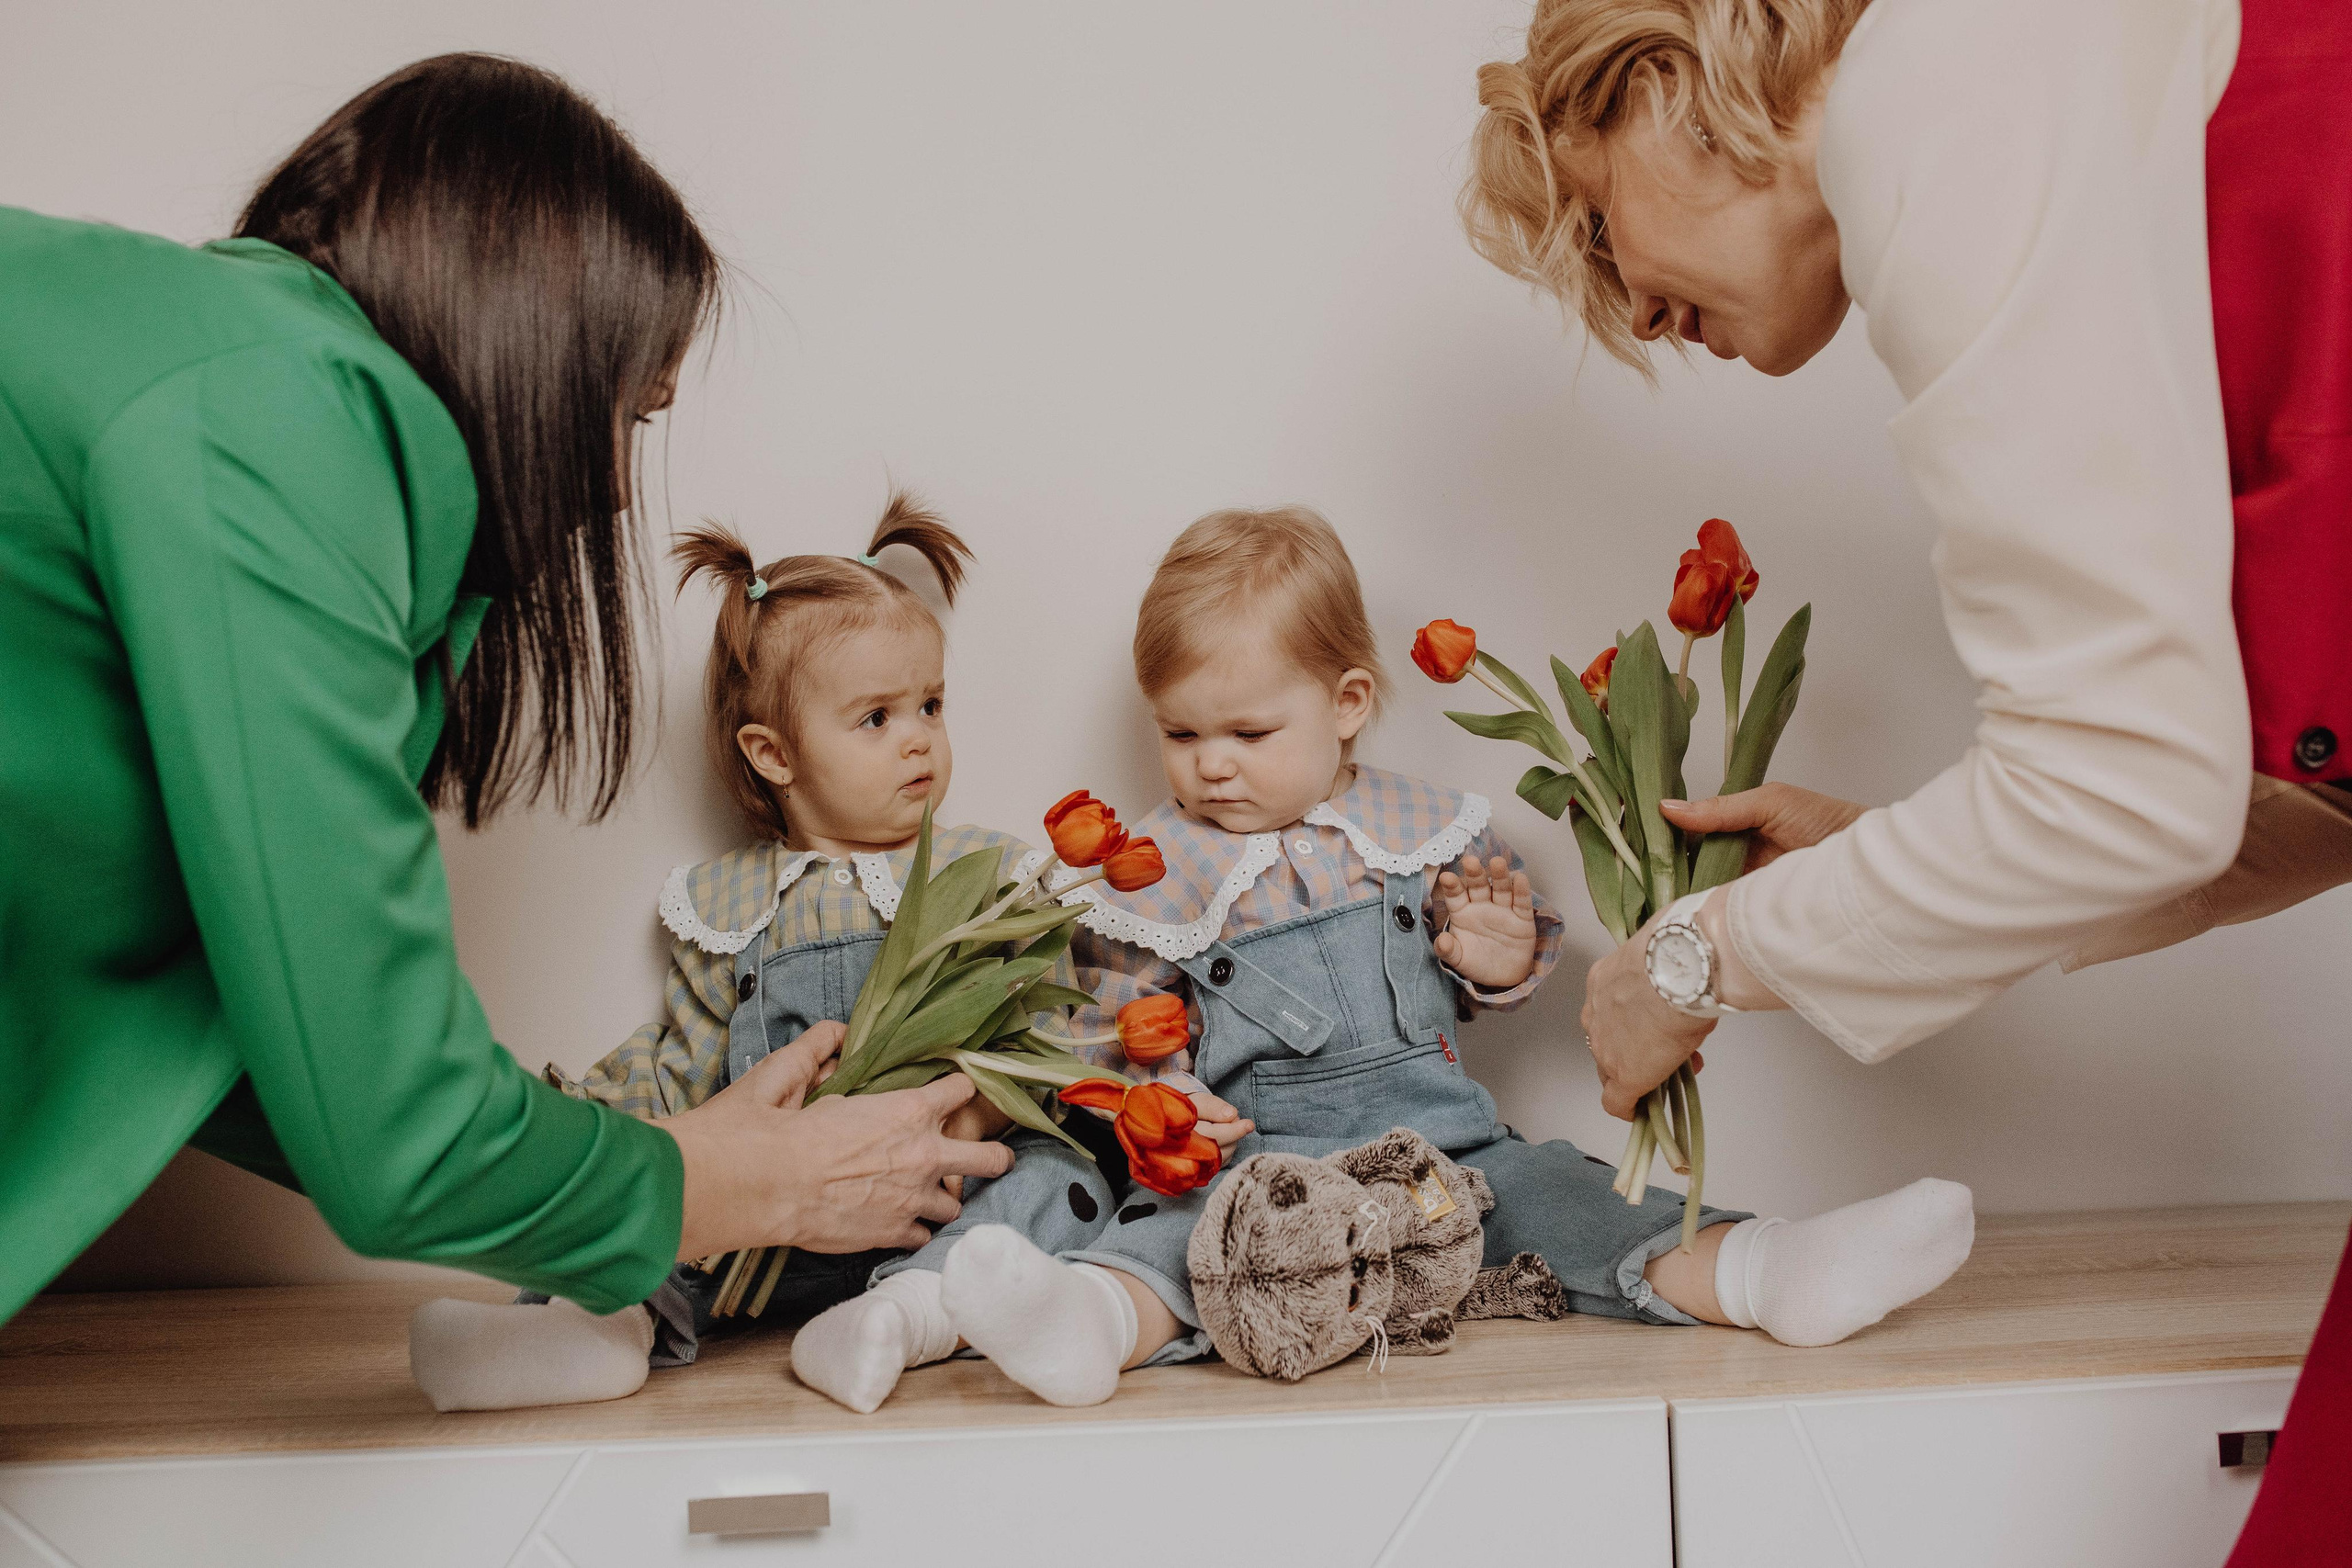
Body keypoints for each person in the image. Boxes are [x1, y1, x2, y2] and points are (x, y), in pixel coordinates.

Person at [1458, 0, 2349, 1558]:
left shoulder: (1939, 81)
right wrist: (1888, 861)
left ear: (1673, 86)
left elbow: (2128, 788)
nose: (1638, 313)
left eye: (1600, 227)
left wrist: (1694, 957)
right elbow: (2229, 790)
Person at [0, 54, 1010, 1327]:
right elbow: (396, 1143)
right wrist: (730, 1181)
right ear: (532, 337)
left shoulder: (230, 375)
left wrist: (598, 1150)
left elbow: (264, 1029)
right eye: (633, 419)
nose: (618, 491)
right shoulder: (280, 418)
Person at [802, 505, 1974, 1413]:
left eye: (1249, 733)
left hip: (1442, 1157)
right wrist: (1162, 1102)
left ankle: (1767, 1272)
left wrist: (1499, 950)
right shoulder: (1147, 872)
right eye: (1180, 732)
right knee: (1172, 1243)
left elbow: (1507, 959)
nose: (1211, 766)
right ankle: (1088, 1327)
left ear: (1349, 701)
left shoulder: (1419, 833)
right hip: (1254, 1172)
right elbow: (1106, 1032)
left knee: (1566, 1194)